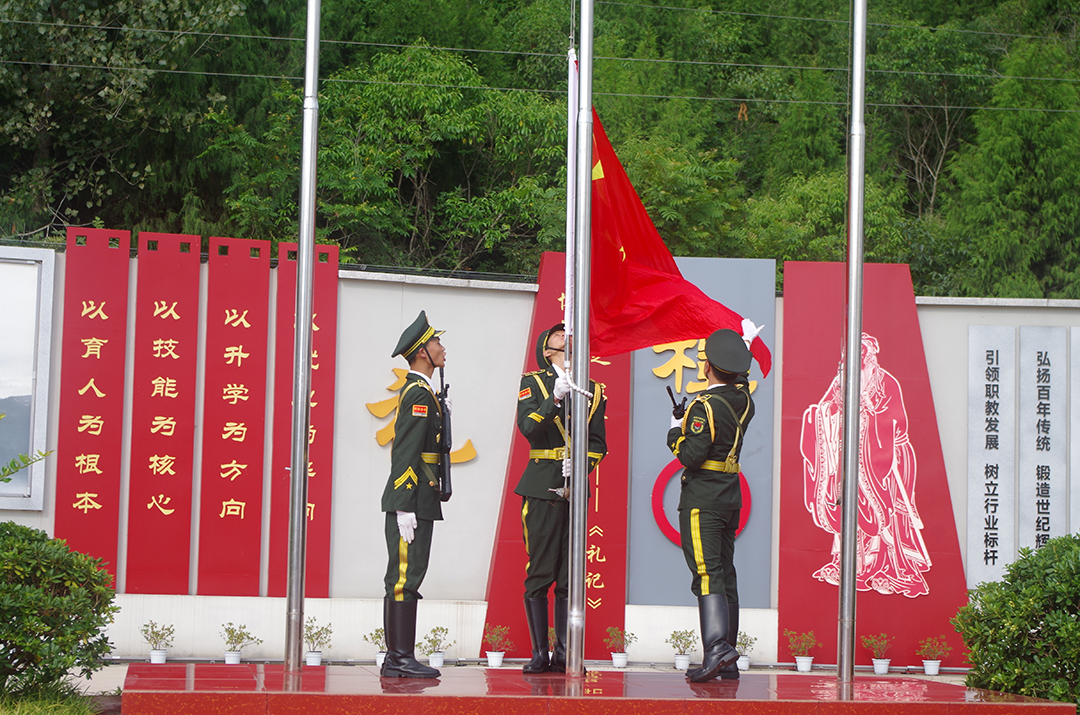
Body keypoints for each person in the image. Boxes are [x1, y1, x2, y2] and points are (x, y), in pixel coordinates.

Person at [514, 323, 607, 673]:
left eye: (570, 339)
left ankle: (565, 651)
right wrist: (553, 398)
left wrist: (581, 465)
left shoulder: (594, 390)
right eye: (558, 339)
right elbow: (529, 429)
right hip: (541, 488)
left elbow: (598, 443)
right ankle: (539, 652)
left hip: (574, 490)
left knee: (570, 576)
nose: (566, 341)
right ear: (547, 351)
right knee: (540, 571)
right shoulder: (533, 383)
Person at [666, 328, 755, 683]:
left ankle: (717, 649)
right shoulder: (743, 401)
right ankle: (727, 660)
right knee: (725, 574)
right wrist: (742, 353)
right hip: (730, 496)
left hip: (703, 498)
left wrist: (675, 429)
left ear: (710, 367)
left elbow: (691, 455)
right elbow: (742, 385)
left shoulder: (704, 406)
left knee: (706, 573)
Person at [380, 310, 448, 679]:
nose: (442, 347)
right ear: (423, 351)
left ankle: (398, 657)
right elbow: (405, 450)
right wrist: (405, 504)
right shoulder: (418, 394)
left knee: (410, 575)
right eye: (437, 342)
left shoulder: (426, 393)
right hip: (411, 500)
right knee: (404, 576)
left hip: (422, 497)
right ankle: (399, 658)